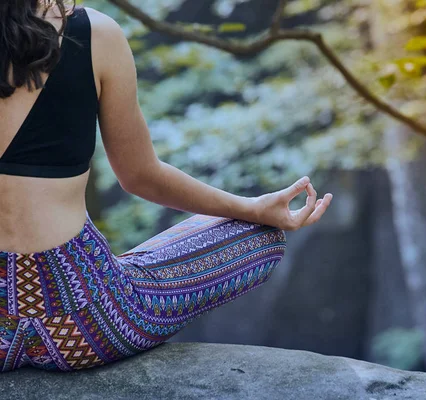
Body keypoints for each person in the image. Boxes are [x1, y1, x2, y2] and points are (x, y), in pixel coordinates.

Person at [0, 0, 333, 372]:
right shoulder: (94, 33)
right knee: (261, 236)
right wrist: (255, 209)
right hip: (88, 321)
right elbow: (141, 176)